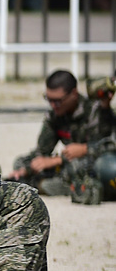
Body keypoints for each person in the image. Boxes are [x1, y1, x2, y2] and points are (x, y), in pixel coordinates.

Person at [7, 70, 116, 205]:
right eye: (49, 99)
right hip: (67, 164)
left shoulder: (95, 110)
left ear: (74, 94)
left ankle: (49, 184)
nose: (53, 105)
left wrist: (84, 149)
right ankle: (38, 182)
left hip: (97, 163)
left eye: (58, 101)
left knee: (81, 166)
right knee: (21, 162)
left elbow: (110, 146)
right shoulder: (55, 115)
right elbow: (42, 152)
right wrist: (27, 169)